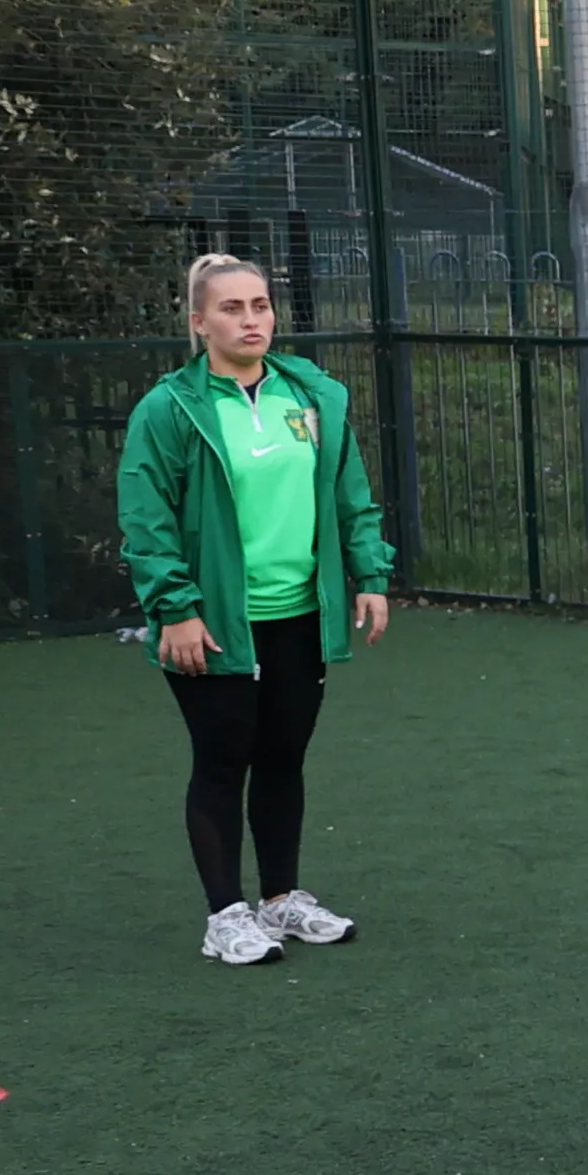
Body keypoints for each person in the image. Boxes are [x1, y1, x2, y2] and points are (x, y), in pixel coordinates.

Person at [118, 252, 395, 967]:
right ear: (198, 322)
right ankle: (225, 915)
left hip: (299, 615)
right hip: (211, 624)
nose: (250, 320)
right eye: (233, 308)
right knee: (222, 761)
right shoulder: (171, 408)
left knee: (283, 757)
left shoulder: (312, 397)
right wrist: (175, 608)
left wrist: (369, 573)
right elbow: (146, 520)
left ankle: (281, 901)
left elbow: (350, 495)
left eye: (261, 306)